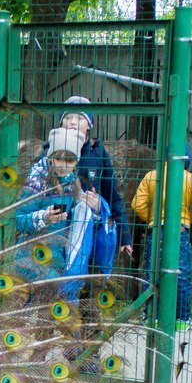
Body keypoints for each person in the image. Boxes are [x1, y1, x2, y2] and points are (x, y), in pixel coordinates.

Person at [13, 127, 104, 300]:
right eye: (58, 158)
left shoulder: (72, 183)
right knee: (60, 294)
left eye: (69, 160)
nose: (63, 165)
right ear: (50, 157)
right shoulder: (36, 183)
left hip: (56, 257)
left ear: (76, 162)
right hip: (30, 257)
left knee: (53, 309)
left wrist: (94, 208)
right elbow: (17, 219)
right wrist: (43, 218)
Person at [131, 146, 192, 330]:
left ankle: (151, 317)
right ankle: (182, 319)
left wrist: (153, 218)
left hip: (156, 230)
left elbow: (137, 205)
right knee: (181, 275)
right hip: (180, 232)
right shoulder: (190, 179)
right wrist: (186, 218)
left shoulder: (151, 176)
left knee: (152, 273)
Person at [58, 96, 133, 267]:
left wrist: (124, 236)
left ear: (89, 125)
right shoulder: (51, 150)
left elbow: (112, 195)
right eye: (68, 117)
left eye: (79, 118)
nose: (72, 123)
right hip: (57, 230)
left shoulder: (98, 153)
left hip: (90, 230)